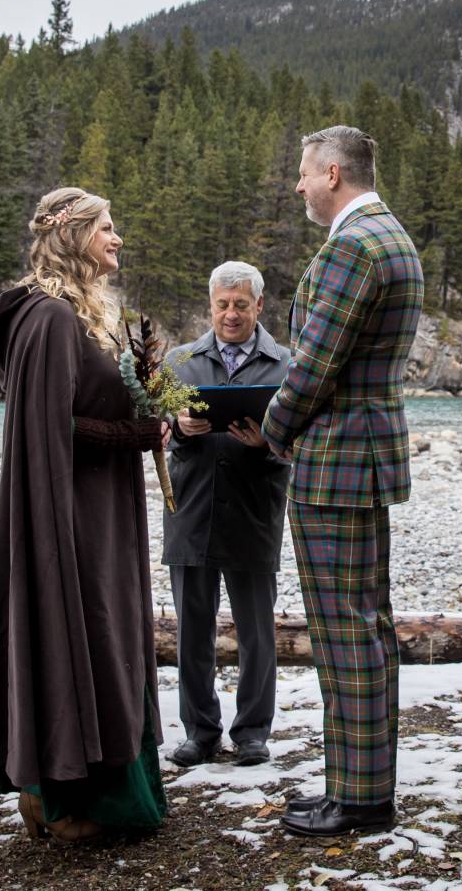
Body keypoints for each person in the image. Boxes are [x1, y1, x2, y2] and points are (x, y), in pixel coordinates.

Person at [0, 187, 170, 843]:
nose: (118, 238)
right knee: (88, 635)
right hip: (73, 519)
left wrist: (146, 395)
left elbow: (94, 400)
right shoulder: (49, 318)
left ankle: (73, 795)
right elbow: (50, 428)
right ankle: (70, 800)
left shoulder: (82, 315)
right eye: (107, 227)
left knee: (111, 635)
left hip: (102, 510)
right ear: (77, 235)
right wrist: (137, 436)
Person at [261, 125, 425, 837]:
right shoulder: (391, 237)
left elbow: (313, 368)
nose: (297, 186)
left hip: (336, 463)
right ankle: (361, 788)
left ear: (332, 173)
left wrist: (268, 432)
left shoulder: (354, 246)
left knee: (344, 633)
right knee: (368, 626)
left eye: (302, 173)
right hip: (364, 454)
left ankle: (358, 799)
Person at [162, 261, 291, 769]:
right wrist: (176, 423)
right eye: (222, 304)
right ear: (209, 304)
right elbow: (154, 429)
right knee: (193, 628)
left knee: (256, 630)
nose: (230, 314)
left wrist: (269, 440)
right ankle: (200, 731)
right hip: (191, 510)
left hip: (255, 511)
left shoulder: (285, 366)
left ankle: (253, 732)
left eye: (241, 304)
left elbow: (303, 443)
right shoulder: (179, 361)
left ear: (259, 306)